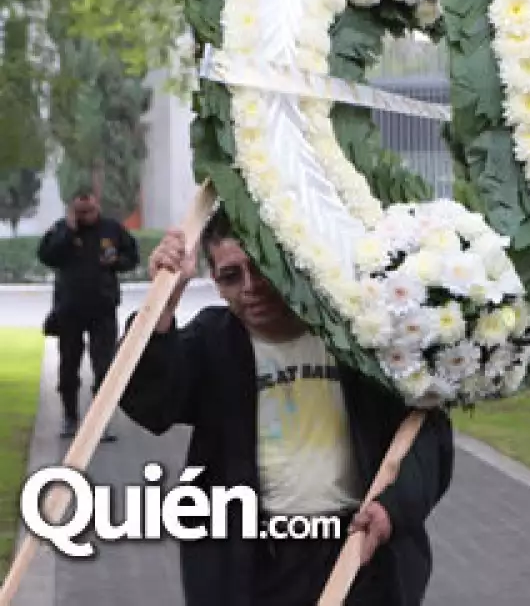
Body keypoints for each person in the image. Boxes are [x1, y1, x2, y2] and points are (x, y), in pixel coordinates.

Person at [120, 211, 454, 606]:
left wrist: (393, 509)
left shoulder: (360, 339)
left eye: (261, 268)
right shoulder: (212, 342)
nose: (250, 288)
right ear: (215, 282)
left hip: (359, 552)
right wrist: (163, 302)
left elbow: (426, 437)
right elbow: (150, 404)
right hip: (256, 564)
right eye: (231, 276)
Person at [36, 186, 139, 437]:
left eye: (90, 210)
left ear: (97, 205)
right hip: (69, 309)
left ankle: (98, 420)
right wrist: (69, 232)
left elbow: (132, 257)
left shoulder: (112, 229)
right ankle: (70, 417)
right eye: (81, 212)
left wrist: (116, 262)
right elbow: (47, 256)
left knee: (104, 366)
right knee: (68, 365)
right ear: (73, 210)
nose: (86, 216)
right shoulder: (62, 229)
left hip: (102, 308)